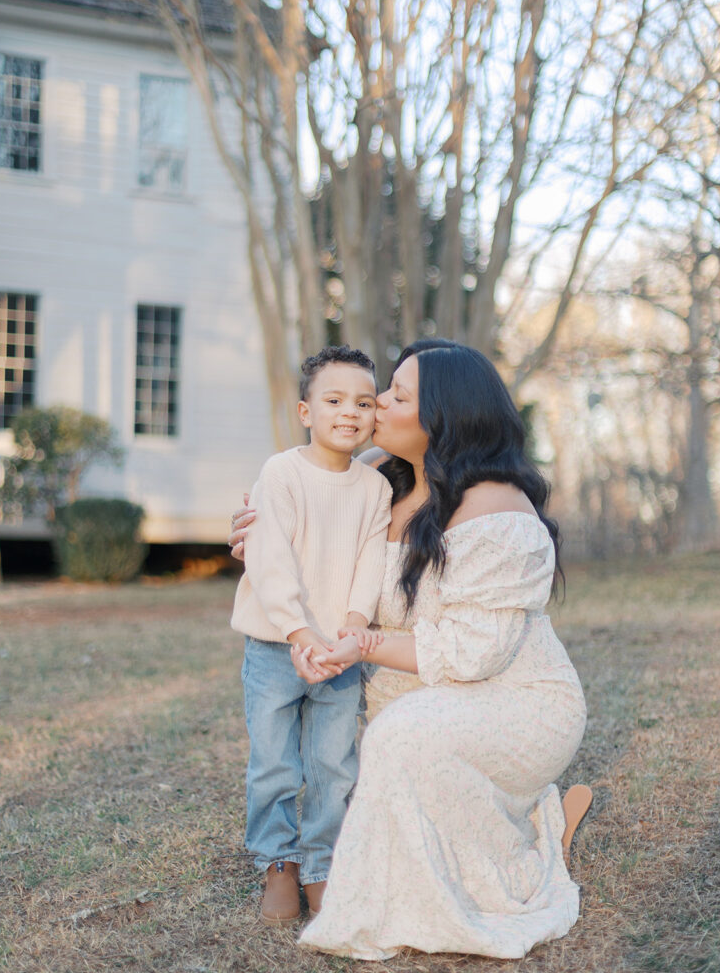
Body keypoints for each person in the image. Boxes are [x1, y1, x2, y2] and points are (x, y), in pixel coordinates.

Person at [231, 341, 590, 960]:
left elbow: (475, 655)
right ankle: (507, 835)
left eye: (394, 396)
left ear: (441, 419)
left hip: (510, 701)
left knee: (394, 744)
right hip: (408, 698)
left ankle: (516, 854)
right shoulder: (375, 477)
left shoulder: (496, 507)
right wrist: (254, 537)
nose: (374, 408)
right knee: (356, 766)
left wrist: (365, 641)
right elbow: (299, 528)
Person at [230, 345, 393, 927]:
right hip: (278, 646)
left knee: (333, 764)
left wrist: (352, 625)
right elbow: (269, 558)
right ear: (306, 411)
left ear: (376, 414)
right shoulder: (282, 473)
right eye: (334, 400)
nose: (349, 412)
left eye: (363, 402)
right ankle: (279, 863)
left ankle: (322, 865)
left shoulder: (375, 489)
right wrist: (300, 633)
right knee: (274, 763)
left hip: (342, 652)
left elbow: (371, 563)